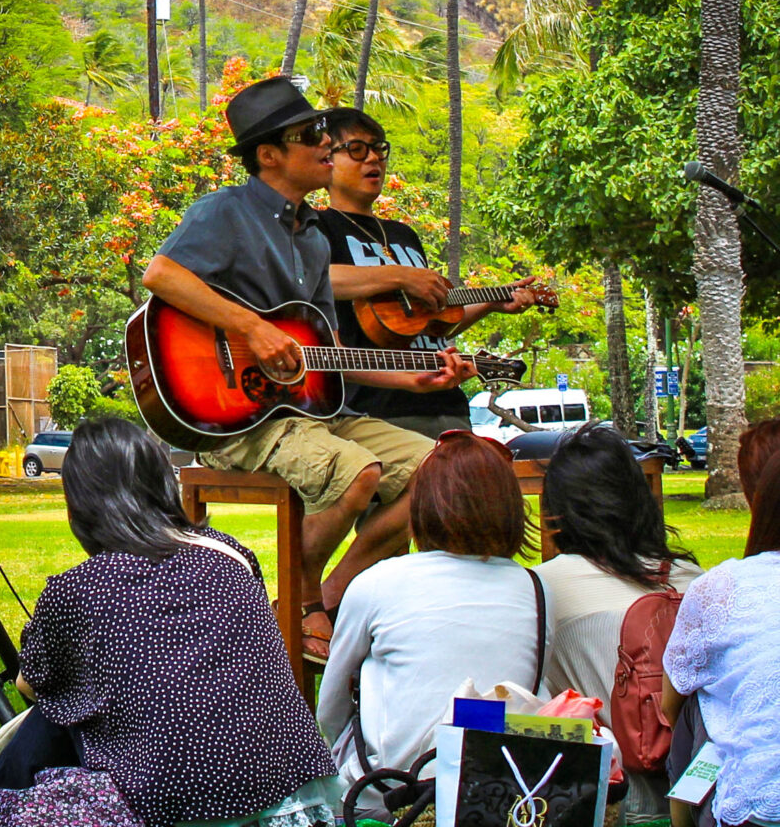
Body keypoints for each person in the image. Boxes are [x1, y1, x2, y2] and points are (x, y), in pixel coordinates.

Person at [142, 77, 472, 661]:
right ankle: (301, 608)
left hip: (314, 409)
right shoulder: (226, 211)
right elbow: (161, 275)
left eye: (323, 132)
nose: (327, 143)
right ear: (269, 155)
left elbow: (325, 354)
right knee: (359, 472)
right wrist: (251, 328)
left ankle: (324, 592)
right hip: (238, 415)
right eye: (310, 135)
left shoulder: (314, 238)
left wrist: (412, 377)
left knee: (441, 471)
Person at [0, 419, 338, 827]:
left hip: (171, 808)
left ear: (77, 507)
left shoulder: (77, 589)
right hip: (297, 793)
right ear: (164, 485)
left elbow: (30, 685)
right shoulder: (232, 555)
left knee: (57, 706)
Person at [317, 431, 551, 816]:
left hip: (385, 790)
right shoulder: (536, 587)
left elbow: (331, 706)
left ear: (421, 505)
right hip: (500, 791)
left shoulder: (377, 582)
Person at [315, 108, 535, 439]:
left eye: (378, 148)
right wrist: (400, 276)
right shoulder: (318, 227)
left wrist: (491, 302)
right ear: (325, 160)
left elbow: (431, 321)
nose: (373, 158)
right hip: (374, 412)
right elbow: (314, 278)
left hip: (446, 404)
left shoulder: (403, 234)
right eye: (357, 149)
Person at [533, 422, 702, 824]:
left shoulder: (543, 589)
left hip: (608, 802)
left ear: (560, 510)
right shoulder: (695, 579)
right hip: (703, 795)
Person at [663, 417, 780, 827]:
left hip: (752, 801)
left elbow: (669, 704)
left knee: (699, 697)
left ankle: (682, 814)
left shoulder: (725, 585)